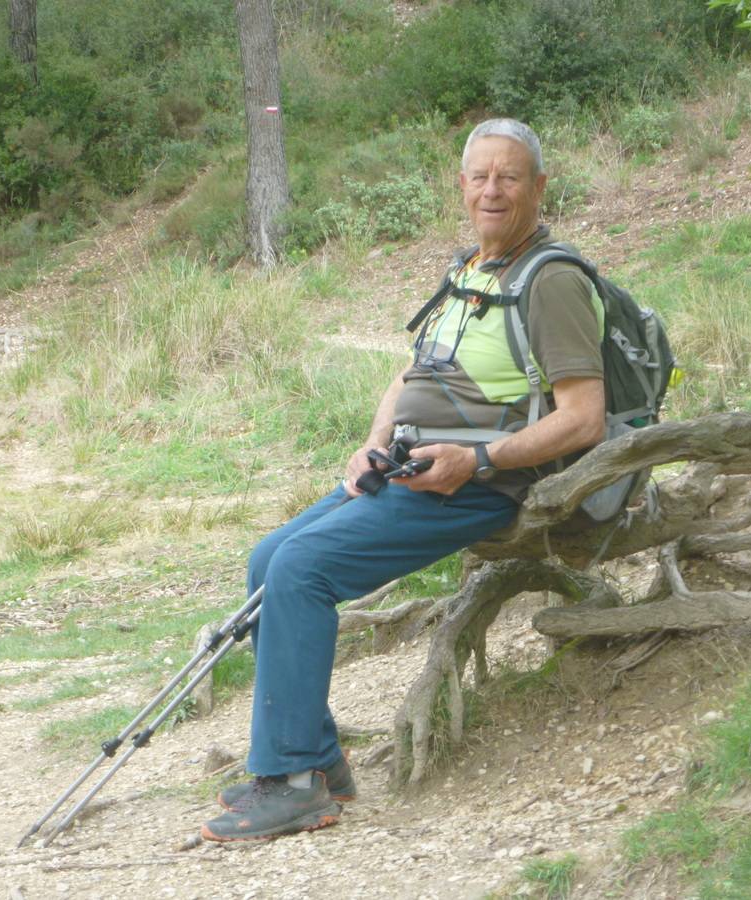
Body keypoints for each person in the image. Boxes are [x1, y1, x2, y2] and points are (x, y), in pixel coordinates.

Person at [200, 118, 606, 842]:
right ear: (461, 185)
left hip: (482, 483)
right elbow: (411, 373)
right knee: (268, 559)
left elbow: (584, 419)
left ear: (539, 187)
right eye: (479, 176)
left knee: (301, 567)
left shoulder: (553, 281)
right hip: (411, 465)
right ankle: (320, 763)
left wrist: (478, 462)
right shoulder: (469, 270)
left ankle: (290, 784)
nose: (492, 189)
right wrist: (371, 442)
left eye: (509, 176)